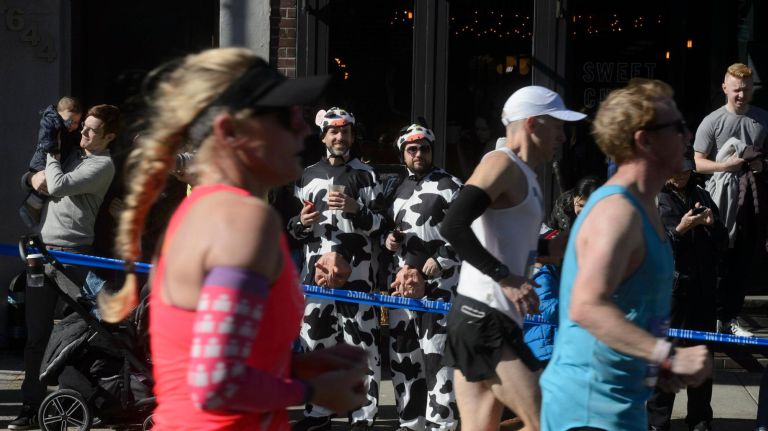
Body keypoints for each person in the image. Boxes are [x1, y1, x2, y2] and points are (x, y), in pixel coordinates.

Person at [98, 48, 368, 430]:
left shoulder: (209, 210)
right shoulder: (241, 222)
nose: (304, 128)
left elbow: (214, 357)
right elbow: (216, 384)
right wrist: (312, 392)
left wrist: (302, 366)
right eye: (284, 117)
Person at [540, 79, 712, 431]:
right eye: (677, 127)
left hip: (621, 403)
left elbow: (630, 307)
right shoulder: (616, 212)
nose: (687, 134)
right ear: (644, 140)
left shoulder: (644, 206)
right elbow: (587, 307)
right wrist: (668, 356)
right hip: (588, 408)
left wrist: (656, 368)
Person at [439, 85, 585, 431]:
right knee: (549, 421)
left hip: (481, 320)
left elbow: (518, 244)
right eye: (559, 126)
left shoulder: (528, 176)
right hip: (484, 318)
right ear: (533, 124)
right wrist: (506, 277)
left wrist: (566, 245)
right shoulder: (501, 163)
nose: (563, 137)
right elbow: (453, 225)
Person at [10, 104, 119, 430]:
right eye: (83, 126)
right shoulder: (75, 154)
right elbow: (32, 180)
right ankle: (30, 407)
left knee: (88, 330)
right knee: (36, 335)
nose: (83, 133)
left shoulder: (102, 164)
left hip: (74, 257)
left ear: (109, 136)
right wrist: (33, 176)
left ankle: (85, 399)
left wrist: (51, 162)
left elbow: (57, 186)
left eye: (92, 130)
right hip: (41, 255)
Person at [382, 123, 463, 431]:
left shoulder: (450, 184)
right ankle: (410, 421)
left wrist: (442, 258)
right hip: (403, 288)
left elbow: (467, 228)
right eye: (412, 149)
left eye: (424, 148)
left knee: (436, 358)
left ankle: (441, 422)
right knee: (405, 357)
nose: (418, 154)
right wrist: (388, 242)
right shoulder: (398, 189)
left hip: (438, 289)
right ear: (403, 153)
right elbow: (386, 234)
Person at [646, 148, 728, 431]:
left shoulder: (702, 195)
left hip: (702, 288)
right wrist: (680, 230)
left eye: (686, 171)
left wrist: (711, 224)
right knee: (666, 356)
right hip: (671, 291)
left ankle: (700, 417)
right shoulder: (655, 198)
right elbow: (651, 248)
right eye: (676, 170)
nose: (681, 177)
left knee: (702, 356)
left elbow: (723, 242)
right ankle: (658, 421)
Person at [693, 62, 768, 337]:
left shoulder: (762, 119)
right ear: (725, 88)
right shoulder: (712, 121)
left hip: (752, 200)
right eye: (736, 89)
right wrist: (726, 167)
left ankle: (731, 317)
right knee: (718, 260)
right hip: (719, 201)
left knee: (743, 260)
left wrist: (762, 166)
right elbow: (697, 164)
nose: (741, 95)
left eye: (746, 90)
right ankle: (714, 317)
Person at [19, 97, 83, 228]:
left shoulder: (69, 129)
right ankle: (30, 208)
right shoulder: (51, 120)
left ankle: (34, 208)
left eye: (77, 122)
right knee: (45, 183)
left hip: (56, 159)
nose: (73, 126)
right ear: (59, 114)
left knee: (48, 186)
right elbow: (46, 136)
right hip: (44, 159)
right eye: (70, 121)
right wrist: (53, 149)